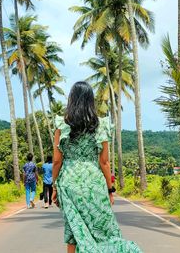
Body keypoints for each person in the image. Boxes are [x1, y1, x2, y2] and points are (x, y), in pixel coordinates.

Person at [52, 81, 142, 253]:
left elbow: (57, 161)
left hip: (69, 182)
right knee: (104, 231)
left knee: (73, 230)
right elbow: (104, 162)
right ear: (90, 101)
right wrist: (109, 190)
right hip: (94, 183)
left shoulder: (62, 125)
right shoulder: (100, 125)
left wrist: (55, 187)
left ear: (72, 99)